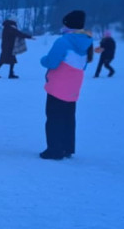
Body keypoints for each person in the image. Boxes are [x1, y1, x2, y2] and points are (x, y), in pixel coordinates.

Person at [39, 10, 94, 160]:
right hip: (74, 87)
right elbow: (84, 65)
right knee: (68, 117)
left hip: (57, 86)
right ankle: (67, 147)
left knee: (54, 117)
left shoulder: (63, 41)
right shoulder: (87, 41)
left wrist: (43, 60)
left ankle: (54, 150)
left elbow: (52, 62)